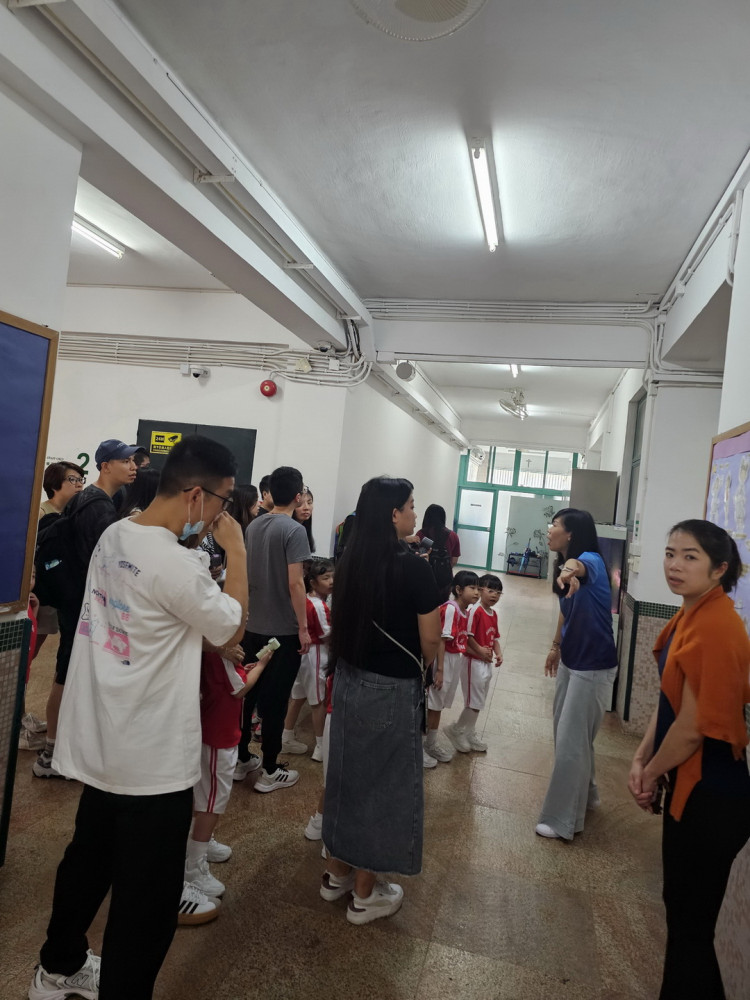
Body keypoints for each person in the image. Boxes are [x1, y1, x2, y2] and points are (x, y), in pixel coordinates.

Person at [30, 435, 248, 1000]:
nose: (222, 515)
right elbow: (231, 627)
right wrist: (237, 550)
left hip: (104, 739)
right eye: (222, 502)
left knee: (89, 860)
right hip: (152, 758)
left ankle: (57, 967)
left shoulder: (116, 534)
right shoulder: (177, 564)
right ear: (196, 495)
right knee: (147, 900)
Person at [628, 519, 750, 1000]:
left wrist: (650, 772)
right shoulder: (690, 613)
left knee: (691, 927)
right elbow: (671, 700)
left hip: (713, 796)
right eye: (670, 553)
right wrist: (643, 757)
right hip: (691, 785)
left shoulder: (717, 625)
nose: (674, 565)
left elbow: (695, 726)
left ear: (720, 569)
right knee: (684, 919)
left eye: (690, 556)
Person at [321, 477, 441, 925]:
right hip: (391, 688)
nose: (414, 513)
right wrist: (429, 668)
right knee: (383, 787)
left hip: (349, 679)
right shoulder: (414, 568)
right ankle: (365, 893)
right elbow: (430, 639)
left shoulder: (350, 559)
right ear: (393, 514)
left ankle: (336, 874)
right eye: (410, 506)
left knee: (347, 775)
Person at [33, 440, 138, 780]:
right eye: (125, 460)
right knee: (67, 671)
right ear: (105, 465)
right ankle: (50, 754)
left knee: (70, 670)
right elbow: (107, 561)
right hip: (83, 602)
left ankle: (60, 747)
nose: (133, 466)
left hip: (76, 599)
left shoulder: (91, 499)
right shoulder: (97, 505)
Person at [536, 508, 618, 841]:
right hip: (572, 658)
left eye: (555, 525)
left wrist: (570, 570)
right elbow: (565, 612)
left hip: (594, 665)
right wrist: (555, 646)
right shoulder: (564, 567)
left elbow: (578, 566)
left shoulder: (590, 560)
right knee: (568, 733)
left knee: (571, 740)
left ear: (570, 533)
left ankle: (561, 820)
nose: (549, 529)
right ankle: (589, 794)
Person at [236, 466, 311, 791]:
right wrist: (303, 627)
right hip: (282, 632)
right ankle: (269, 768)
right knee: (276, 701)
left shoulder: (254, 525)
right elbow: (296, 583)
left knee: (248, 695)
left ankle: (241, 759)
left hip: (253, 627)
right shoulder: (294, 530)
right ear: (298, 495)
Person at [186, 641, 275, 898]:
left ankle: (201, 842)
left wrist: (243, 670)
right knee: (211, 802)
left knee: (207, 797)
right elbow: (239, 689)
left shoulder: (217, 649)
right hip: (219, 735)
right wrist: (261, 666)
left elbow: (229, 681)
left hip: (215, 729)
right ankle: (194, 865)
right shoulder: (222, 650)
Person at [32, 461, 86, 664]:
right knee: (28, 648)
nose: (79, 484)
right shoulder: (40, 512)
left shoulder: (72, 514)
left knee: (36, 646)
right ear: (54, 484)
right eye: (72, 479)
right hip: (37, 590)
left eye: (81, 479)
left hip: (56, 590)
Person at [424, 569, 479, 766]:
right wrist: (439, 670)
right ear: (458, 589)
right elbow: (441, 640)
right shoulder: (451, 609)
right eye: (472, 588)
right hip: (443, 659)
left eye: (478, 588)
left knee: (439, 704)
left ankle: (430, 743)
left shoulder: (464, 611)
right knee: (433, 704)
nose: (477, 592)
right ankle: (422, 746)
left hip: (454, 659)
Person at [445, 572, 503, 754]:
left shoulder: (493, 613)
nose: (494, 595)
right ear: (480, 590)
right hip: (473, 663)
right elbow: (467, 636)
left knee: (479, 702)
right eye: (490, 590)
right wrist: (479, 650)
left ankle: (468, 732)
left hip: (485, 663)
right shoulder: (475, 611)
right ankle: (456, 730)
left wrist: (498, 653)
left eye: (498, 592)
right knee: (474, 702)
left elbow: (495, 637)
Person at [282, 558, 333, 758]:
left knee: (297, 697)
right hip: (316, 653)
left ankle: (286, 737)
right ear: (313, 582)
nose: (331, 582)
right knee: (318, 701)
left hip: (302, 653)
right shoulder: (319, 606)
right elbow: (326, 634)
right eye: (326, 578)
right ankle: (321, 747)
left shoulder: (304, 599)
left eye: (333, 577)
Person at [417, 504, 461, 603]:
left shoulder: (421, 534)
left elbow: (419, 557)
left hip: (425, 578)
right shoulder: (453, 535)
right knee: (443, 606)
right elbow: (454, 561)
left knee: (425, 605)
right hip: (445, 580)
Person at [292, 486, 315, 553]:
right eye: (300, 504)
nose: (306, 508)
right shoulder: (290, 531)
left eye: (309, 503)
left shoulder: (303, 530)